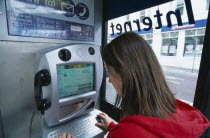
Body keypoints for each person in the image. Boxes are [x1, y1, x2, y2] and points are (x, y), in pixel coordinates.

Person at [59, 32, 210, 138]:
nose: (110, 80)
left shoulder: (128, 133)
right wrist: (114, 128)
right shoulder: (176, 108)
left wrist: (120, 132)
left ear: (126, 75)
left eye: (110, 72)